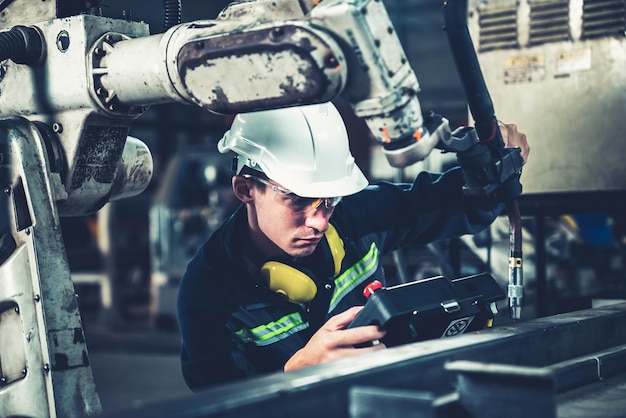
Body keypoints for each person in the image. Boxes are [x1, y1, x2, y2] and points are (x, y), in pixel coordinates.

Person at [176, 102, 530, 390]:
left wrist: (492, 173)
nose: (319, 221)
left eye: (329, 201)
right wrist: (292, 376)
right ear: (245, 190)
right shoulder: (208, 292)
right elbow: (217, 406)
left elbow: (442, 203)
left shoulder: (356, 217)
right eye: (298, 200)